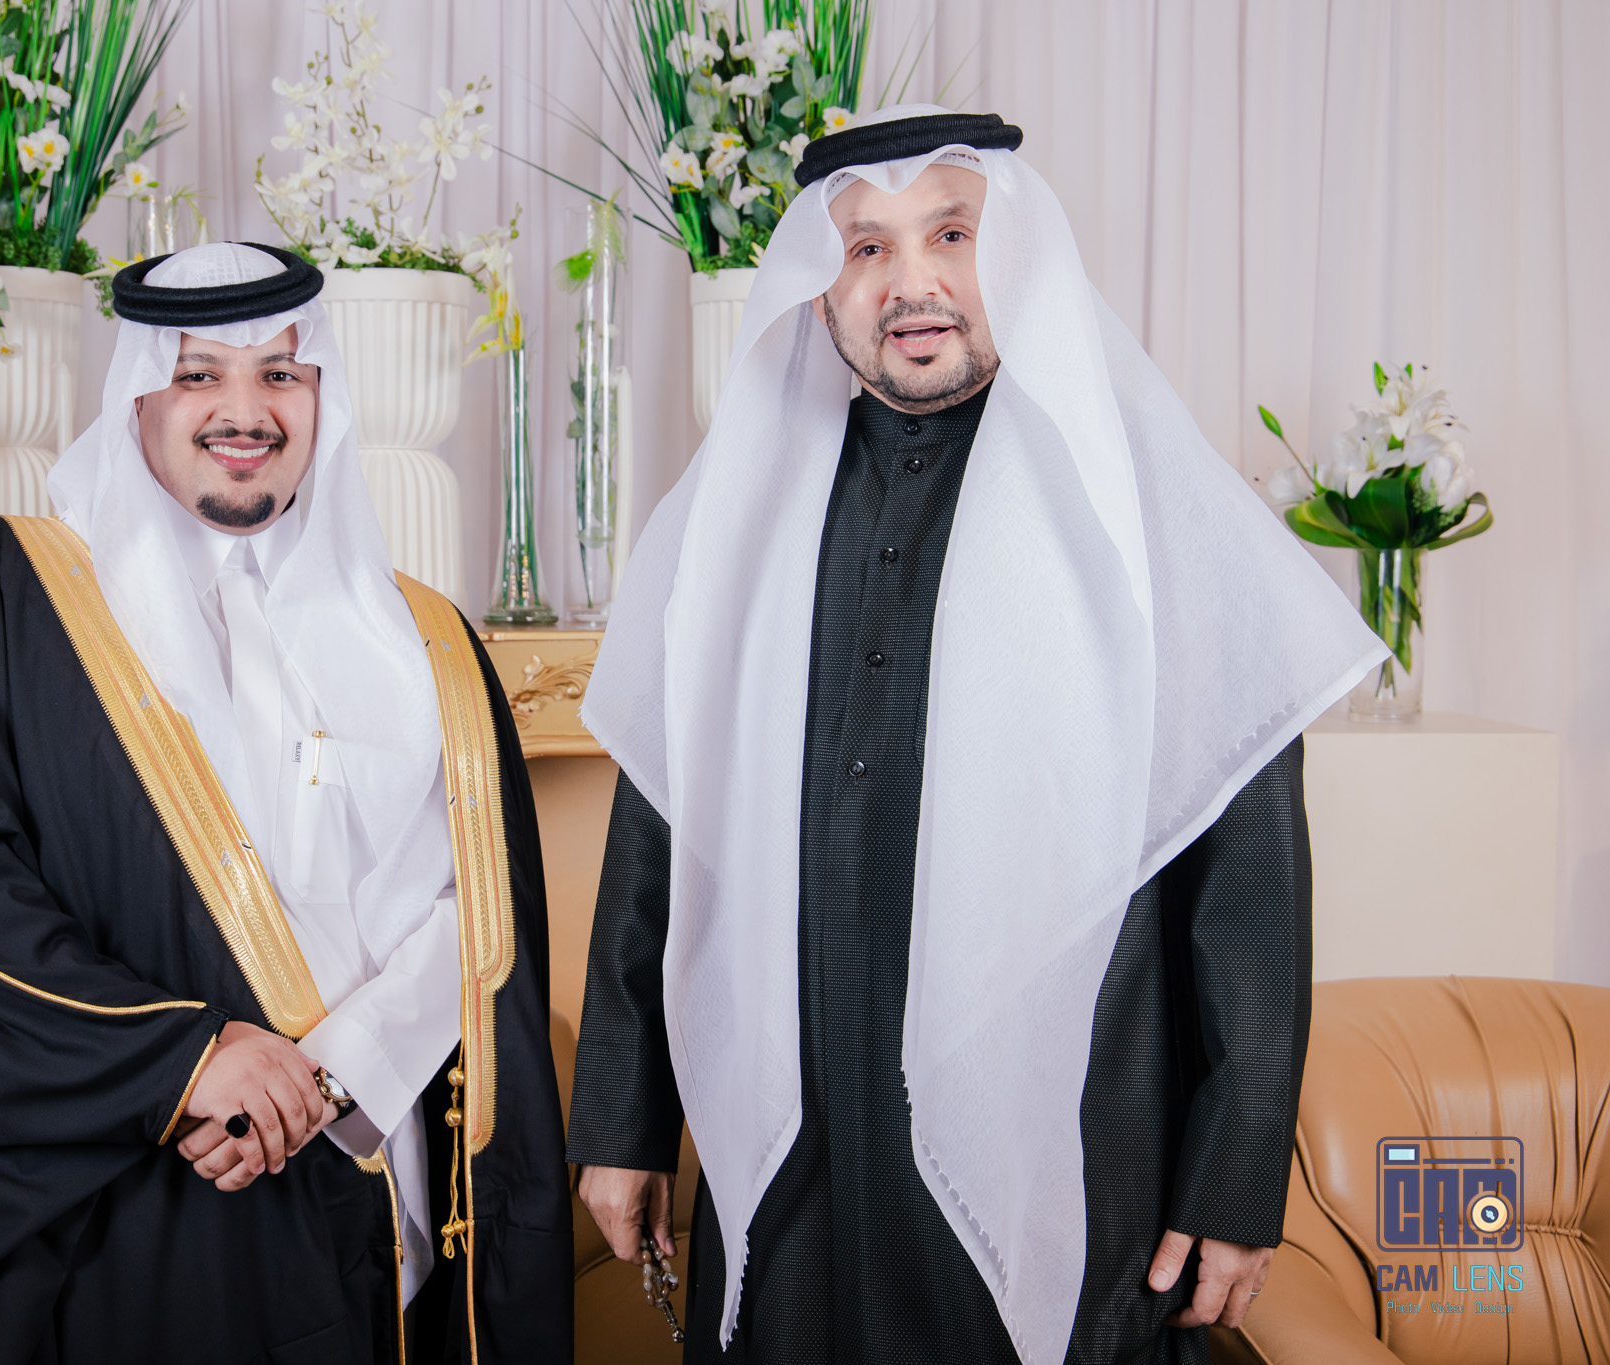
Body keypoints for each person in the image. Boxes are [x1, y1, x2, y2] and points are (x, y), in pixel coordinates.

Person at [567, 107, 1386, 1364]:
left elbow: (1249, 887)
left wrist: (1232, 1183)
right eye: (865, 248)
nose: (911, 282)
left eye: (949, 234)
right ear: (820, 285)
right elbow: (655, 834)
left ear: (1014, 255)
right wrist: (621, 1122)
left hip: (1075, 1139)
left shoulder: (1146, 505)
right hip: (791, 1149)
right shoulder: (734, 512)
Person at [0, 242, 570, 1363]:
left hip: (371, 1170)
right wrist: (181, 1062)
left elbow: (477, 907)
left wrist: (329, 1076)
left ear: (320, 397)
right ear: (137, 398)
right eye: (198, 374)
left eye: (280, 373)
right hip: (140, 1198)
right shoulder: (15, 598)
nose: (244, 411)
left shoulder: (425, 635)